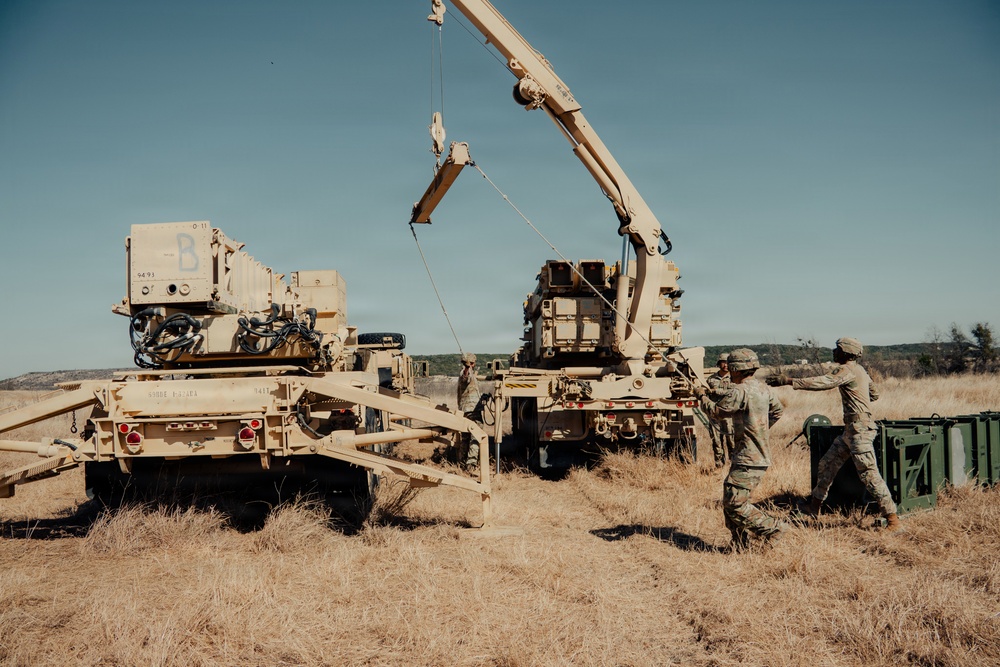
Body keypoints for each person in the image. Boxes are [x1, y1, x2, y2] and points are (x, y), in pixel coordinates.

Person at [767, 337, 901, 531]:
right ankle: (814, 507)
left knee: (869, 475)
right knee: (827, 463)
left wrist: (789, 381)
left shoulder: (846, 369)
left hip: (859, 431)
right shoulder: (860, 370)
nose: (834, 352)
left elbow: (824, 382)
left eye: (837, 349)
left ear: (846, 353)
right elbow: (875, 394)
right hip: (852, 430)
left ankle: (893, 520)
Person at [695, 348, 788, 550]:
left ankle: (773, 528)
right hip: (753, 455)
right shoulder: (763, 389)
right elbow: (778, 411)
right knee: (730, 497)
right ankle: (740, 544)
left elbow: (719, 412)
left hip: (748, 457)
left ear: (736, 369)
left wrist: (701, 397)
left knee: (734, 503)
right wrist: (760, 429)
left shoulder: (740, 390)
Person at [706, 353, 735, 467]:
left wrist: (716, 391)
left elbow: (734, 393)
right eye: (723, 362)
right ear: (719, 364)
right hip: (715, 415)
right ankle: (719, 465)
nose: (725, 365)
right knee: (716, 441)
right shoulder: (711, 379)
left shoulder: (734, 378)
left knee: (731, 441)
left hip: (729, 415)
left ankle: (733, 465)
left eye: (728, 362)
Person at [456, 352, 482, 470]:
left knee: (465, 437)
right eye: (473, 363)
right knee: (475, 436)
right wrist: (467, 367)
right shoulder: (465, 372)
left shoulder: (466, 373)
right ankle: (471, 464)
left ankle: (462, 463)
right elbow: (466, 377)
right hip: (472, 410)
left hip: (466, 410)